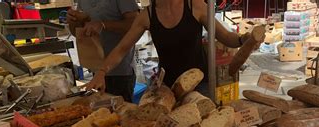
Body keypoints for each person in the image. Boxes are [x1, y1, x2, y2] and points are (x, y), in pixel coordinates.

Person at [86, 0, 255, 95]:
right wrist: (101, 72)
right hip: (168, 89)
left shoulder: (195, 5)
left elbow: (226, 37)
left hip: (200, 85)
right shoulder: (147, 15)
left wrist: (243, 40)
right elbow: (122, 48)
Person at [67, 0, 139, 102]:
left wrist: (103, 25)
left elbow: (135, 24)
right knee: (101, 110)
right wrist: (73, 21)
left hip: (120, 71)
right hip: (96, 69)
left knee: (122, 111)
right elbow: (78, 32)